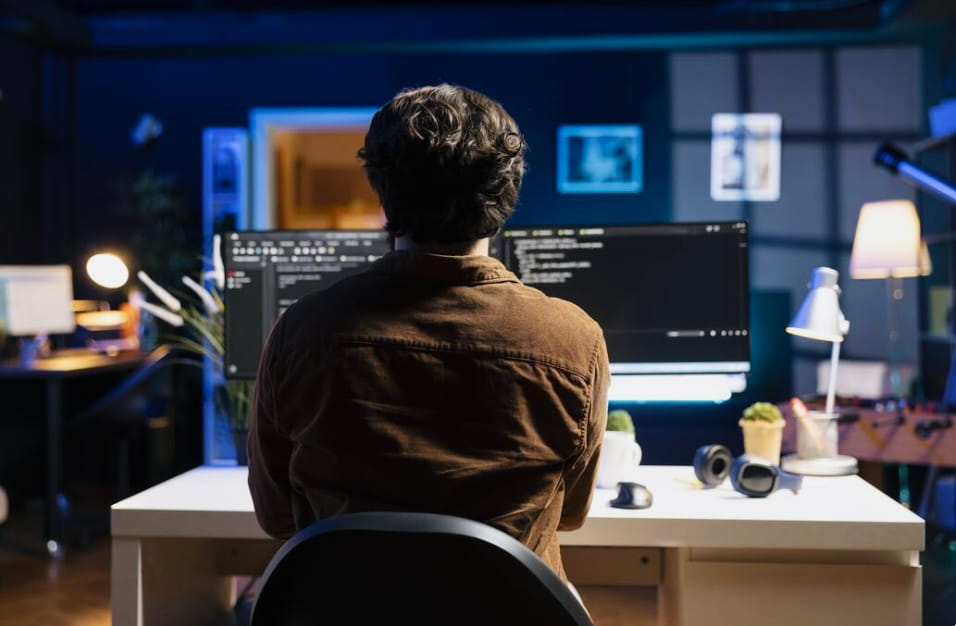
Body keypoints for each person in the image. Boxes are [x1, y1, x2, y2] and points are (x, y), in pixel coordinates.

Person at [247, 84, 609, 582]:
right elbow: (571, 513)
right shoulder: (574, 340)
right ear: (507, 192)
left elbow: (277, 517)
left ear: (381, 188)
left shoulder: (302, 332)